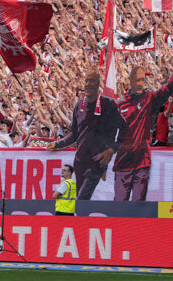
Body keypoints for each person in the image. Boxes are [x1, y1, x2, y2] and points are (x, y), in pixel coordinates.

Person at [50, 72, 127, 200]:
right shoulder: (79, 105)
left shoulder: (108, 104)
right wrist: (57, 144)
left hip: (97, 162)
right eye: (86, 81)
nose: (88, 84)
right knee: (82, 201)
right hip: (80, 162)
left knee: (82, 199)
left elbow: (124, 128)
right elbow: (75, 135)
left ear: (97, 84)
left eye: (91, 81)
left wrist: (112, 149)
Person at [113, 66, 173, 201]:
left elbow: (167, 89)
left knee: (138, 204)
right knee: (119, 203)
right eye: (137, 80)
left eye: (142, 80)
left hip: (142, 162)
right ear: (131, 81)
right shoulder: (120, 104)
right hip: (123, 162)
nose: (140, 83)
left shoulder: (149, 99)